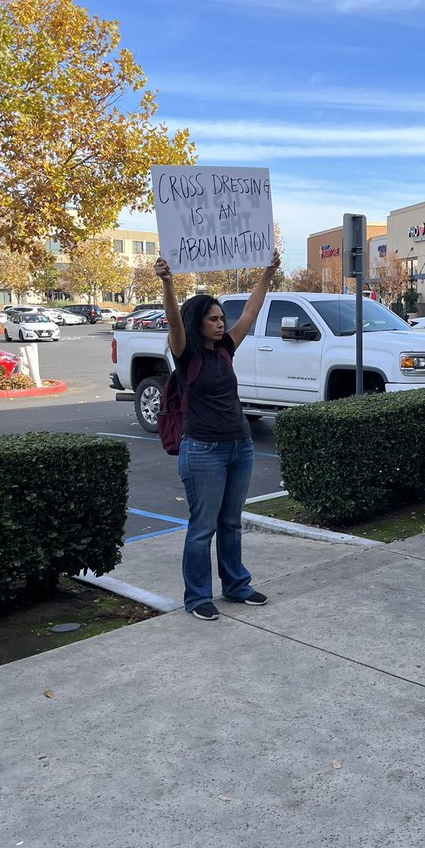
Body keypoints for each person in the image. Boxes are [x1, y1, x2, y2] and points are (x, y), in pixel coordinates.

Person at [155, 251, 281, 620]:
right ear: (199, 323)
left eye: (221, 318)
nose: (221, 323)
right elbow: (175, 322)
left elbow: (251, 313)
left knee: (231, 521)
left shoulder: (226, 350)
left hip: (239, 446)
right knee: (202, 526)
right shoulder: (186, 355)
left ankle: (236, 585)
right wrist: (167, 282)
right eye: (212, 319)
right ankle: (197, 597)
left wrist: (268, 273)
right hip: (203, 450)